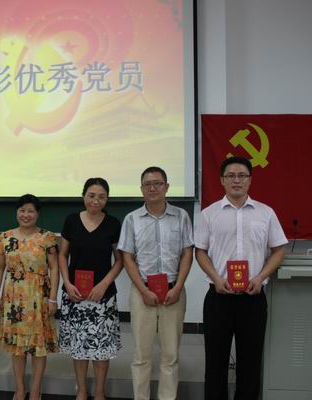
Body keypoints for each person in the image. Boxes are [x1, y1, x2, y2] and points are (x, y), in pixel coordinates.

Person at [195, 156, 287, 400]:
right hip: (218, 298)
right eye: (231, 176)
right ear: (222, 180)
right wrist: (216, 278)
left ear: (250, 180)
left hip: (252, 298)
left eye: (242, 176)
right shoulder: (209, 214)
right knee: (215, 362)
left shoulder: (266, 213)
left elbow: (279, 250)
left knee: (250, 362)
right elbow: (200, 252)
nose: (236, 180)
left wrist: (261, 277)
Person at [118, 166, 194, 400]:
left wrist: (178, 287)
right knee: (141, 355)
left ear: (167, 187)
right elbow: (127, 257)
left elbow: (187, 253)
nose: (152, 188)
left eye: (158, 183)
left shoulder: (181, 216)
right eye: (147, 184)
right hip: (142, 293)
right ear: (141, 189)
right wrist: (143, 290)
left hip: (173, 292)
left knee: (170, 355)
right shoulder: (132, 219)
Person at [57, 178, 123, 400]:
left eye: (102, 197)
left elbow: (120, 260)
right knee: (79, 347)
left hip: (103, 296)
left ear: (107, 199)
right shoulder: (71, 221)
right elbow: (62, 255)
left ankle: (100, 393)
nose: (96, 200)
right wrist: (67, 283)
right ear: (83, 195)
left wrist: (104, 284)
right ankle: (82, 392)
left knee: (102, 348)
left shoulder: (113, 223)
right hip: (75, 294)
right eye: (92, 195)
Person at [0, 194, 59, 400]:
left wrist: (53, 298)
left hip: (39, 296)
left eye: (31, 211)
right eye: (22, 210)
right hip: (14, 297)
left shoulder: (47, 237)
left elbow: (54, 268)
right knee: (18, 347)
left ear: (38, 213)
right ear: (17, 212)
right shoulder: (5, 237)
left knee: (39, 347)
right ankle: (20, 390)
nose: (26, 215)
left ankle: (36, 391)